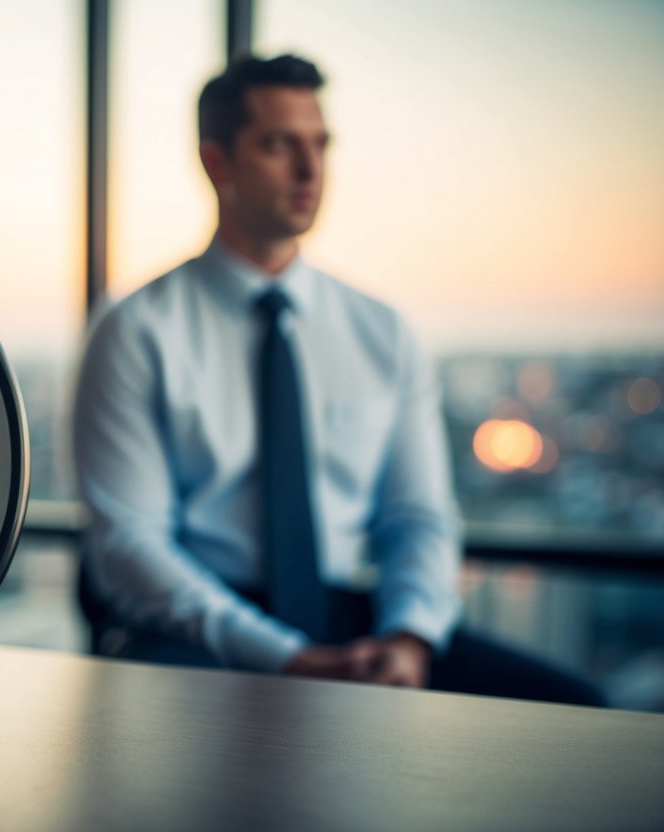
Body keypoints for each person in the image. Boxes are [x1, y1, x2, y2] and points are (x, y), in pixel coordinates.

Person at [72, 54, 605, 706]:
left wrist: (408, 638)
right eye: (279, 145)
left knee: (580, 713)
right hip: (197, 634)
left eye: (320, 145)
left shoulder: (379, 331)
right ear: (217, 162)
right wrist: (289, 658)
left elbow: (417, 517)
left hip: (345, 618)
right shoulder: (136, 330)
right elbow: (131, 550)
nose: (310, 169)